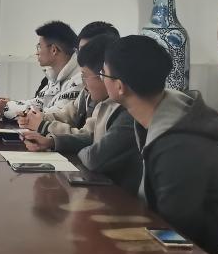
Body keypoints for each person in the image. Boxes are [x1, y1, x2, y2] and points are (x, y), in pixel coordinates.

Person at [102, 35, 218, 254]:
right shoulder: (164, 114)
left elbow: (175, 232)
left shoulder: (179, 145)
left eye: (103, 73)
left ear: (120, 86)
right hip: (179, 245)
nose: (101, 78)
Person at [22, 34, 141, 194]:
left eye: (85, 75)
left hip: (120, 196)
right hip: (104, 187)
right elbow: (87, 136)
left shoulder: (126, 112)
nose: (83, 82)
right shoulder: (104, 101)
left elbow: (93, 154)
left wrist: (45, 127)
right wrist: (52, 141)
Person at [18, 21, 120, 134]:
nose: (82, 56)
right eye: (80, 50)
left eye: (88, 50)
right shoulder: (85, 86)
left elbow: (88, 137)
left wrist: (43, 125)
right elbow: (68, 114)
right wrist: (36, 117)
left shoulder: (96, 88)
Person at [0, 21, 81, 120]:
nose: (37, 53)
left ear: (54, 50)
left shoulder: (79, 79)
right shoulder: (55, 75)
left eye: (39, 47)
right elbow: (37, 103)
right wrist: (8, 105)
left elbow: (53, 116)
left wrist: (7, 109)